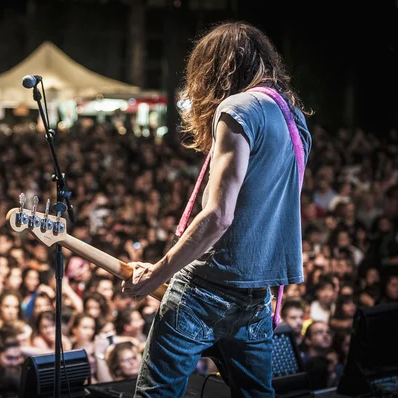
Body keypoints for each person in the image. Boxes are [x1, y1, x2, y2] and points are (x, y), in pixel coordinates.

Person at [121, 21, 312, 397]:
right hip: (256, 295)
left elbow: (219, 216)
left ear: (217, 68)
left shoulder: (238, 107)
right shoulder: (294, 118)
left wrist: (159, 273)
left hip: (205, 290)